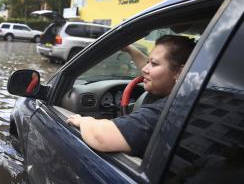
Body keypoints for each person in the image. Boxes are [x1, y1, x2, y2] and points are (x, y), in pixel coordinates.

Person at [66, 35, 196, 157]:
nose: (145, 69)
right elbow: (155, 72)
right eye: (148, 61)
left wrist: (83, 120)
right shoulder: (194, 98)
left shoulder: (166, 112)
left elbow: (99, 137)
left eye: (154, 64)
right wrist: (130, 49)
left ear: (179, 72)